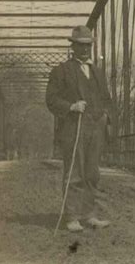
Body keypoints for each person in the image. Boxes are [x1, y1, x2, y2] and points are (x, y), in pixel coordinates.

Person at [46, 25, 113, 232]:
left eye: (88, 46)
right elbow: (51, 99)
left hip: (96, 126)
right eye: (81, 45)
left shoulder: (98, 72)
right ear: (73, 46)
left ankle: (90, 214)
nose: (85, 49)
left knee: (92, 172)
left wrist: (105, 116)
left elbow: (106, 98)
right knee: (75, 171)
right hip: (74, 127)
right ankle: (72, 216)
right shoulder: (61, 71)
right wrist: (71, 106)